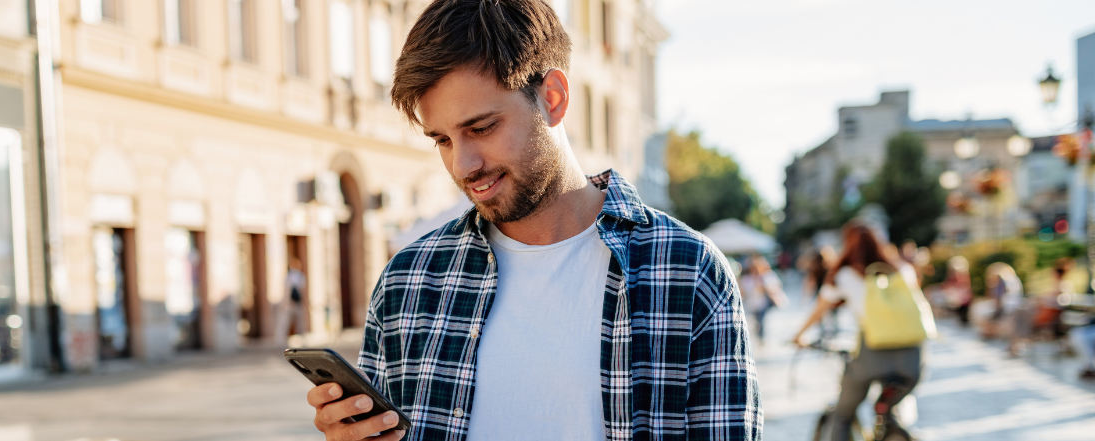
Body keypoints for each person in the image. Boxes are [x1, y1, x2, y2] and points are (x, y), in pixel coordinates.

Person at [305, 1, 760, 439]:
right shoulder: (408, 282)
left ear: (553, 99)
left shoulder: (685, 270)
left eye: (481, 128)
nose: (463, 165)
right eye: (442, 139)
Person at [791, 223, 923, 441]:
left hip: (873, 353)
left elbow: (819, 311)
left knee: (843, 414)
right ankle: (893, 425)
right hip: (913, 357)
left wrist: (798, 336)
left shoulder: (844, 275)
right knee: (890, 409)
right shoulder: (902, 270)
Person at [740, 255, 788, 346]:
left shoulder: (768, 276)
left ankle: (761, 338)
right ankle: (759, 336)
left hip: (763, 303)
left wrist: (764, 286)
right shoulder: (747, 278)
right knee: (755, 321)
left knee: (761, 321)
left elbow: (775, 287)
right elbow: (744, 292)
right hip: (752, 304)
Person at [275, 258, 308, 343]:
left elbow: (286, 291)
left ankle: (281, 339)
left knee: (289, 322)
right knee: (297, 323)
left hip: (291, 303)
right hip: (295, 303)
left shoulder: (289, 276)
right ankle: (301, 339)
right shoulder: (300, 276)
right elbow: (303, 291)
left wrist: (284, 303)